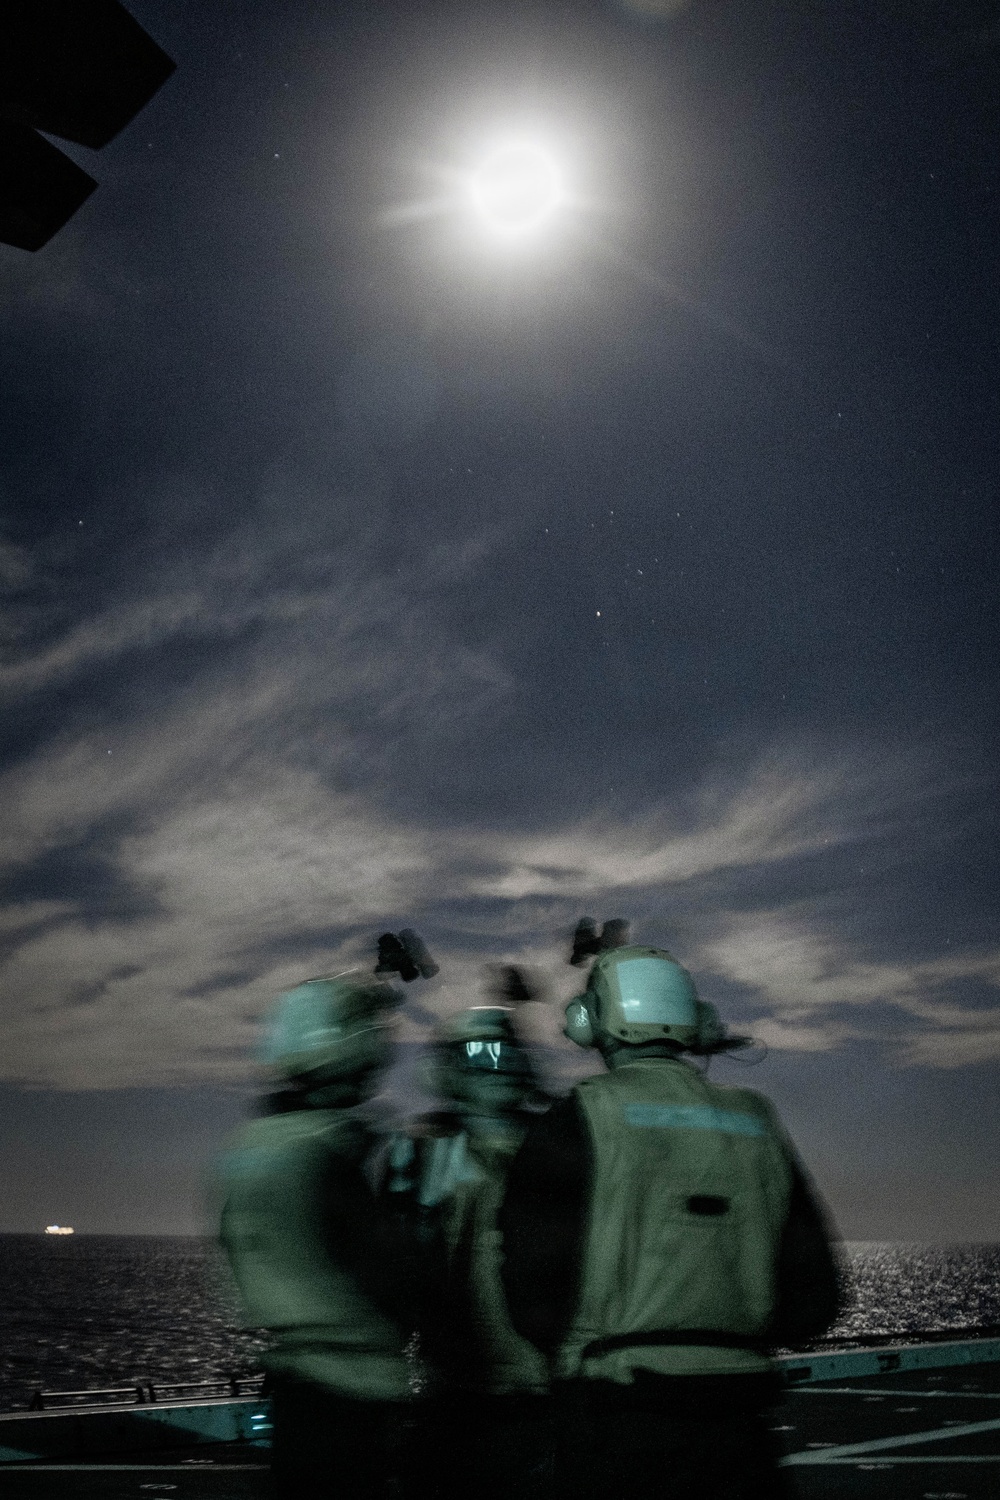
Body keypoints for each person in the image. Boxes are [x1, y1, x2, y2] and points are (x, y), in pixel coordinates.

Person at [498, 939, 841, 1500]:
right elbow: (815, 1298)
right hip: (740, 1421)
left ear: (589, 1021)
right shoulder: (758, 1121)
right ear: (696, 1022)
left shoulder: (577, 1117)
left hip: (614, 1417)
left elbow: (529, 1287)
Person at [218, 970, 417, 1500]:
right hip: (352, 1387)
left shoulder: (252, 1144)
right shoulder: (326, 1151)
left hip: (296, 1380)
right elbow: (388, 1273)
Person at [383, 1004, 551, 1500]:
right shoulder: (558, 1143)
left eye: (505, 1052)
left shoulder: (420, 1149)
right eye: (482, 1053)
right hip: (489, 1386)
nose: (498, 1063)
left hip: (480, 1388)